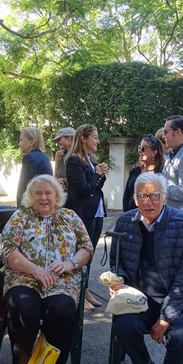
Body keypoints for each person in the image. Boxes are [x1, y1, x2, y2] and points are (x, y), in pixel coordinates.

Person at [108, 173, 183, 364]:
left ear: (165, 198)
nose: (148, 201)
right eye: (142, 195)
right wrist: (119, 279)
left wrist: (165, 318)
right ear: (135, 199)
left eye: (155, 195)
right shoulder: (125, 223)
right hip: (141, 297)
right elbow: (118, 262)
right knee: (123, 326)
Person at [2, 174, 93, 364]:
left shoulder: (70, 217)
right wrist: (36, 270)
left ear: (57, 196)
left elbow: (87, 248)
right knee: (23, 308)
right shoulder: (20, 217)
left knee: (61, 310)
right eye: (38, 193)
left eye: (48, 193)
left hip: (62, 280)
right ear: (30, 196)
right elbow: (9, 251)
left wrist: (70, 263)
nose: (43, 197)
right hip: (24, 278)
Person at [65, 123, 109, 310]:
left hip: (96, 213)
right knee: (80, 253)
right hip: (82, 214)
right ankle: (78, 292)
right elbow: (83, 190)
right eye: (95, 137)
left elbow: (95, 187)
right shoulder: (74, 160)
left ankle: (85, 289)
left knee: (89, 255)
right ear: (83, 138)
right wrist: (97, 174)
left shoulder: (89, 159)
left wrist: (101, 175)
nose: (98, 141)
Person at [123, 134, 164, 212]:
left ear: (154, 152)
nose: (139, 150)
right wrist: (126, 214)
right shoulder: (135, 169)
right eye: (139, 147)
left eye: (144, 148)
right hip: (132, 213)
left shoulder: (161, 171)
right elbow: (127, 195)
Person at [16, 127, 53, 207]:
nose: (19, 144)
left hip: (32, 207)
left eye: (22, 140)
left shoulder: (29, 158)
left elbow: (27, 188)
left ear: (32, 142)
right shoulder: (45, 157)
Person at [52, 126, 75, 191]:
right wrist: (57, 181)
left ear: (69, 138)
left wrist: (64, 180)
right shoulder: (59, 154)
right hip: (62, 194)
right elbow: (55, 176)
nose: (58, 143)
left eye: (59, 140)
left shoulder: (80, 155)